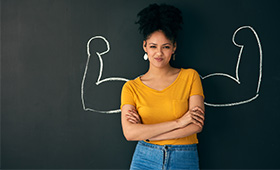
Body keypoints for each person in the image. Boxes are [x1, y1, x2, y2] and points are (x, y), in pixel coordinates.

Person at [120, 3, 205, 170]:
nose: (159, 53)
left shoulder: (190, 77)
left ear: (174, 47)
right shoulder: (131, 87)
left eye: (165, 47)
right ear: (145, 46)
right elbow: (130, 133)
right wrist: (180, 122)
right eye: (153, 46)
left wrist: (147, 133)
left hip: (184, 157)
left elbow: (196, 125)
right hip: (144, 158)